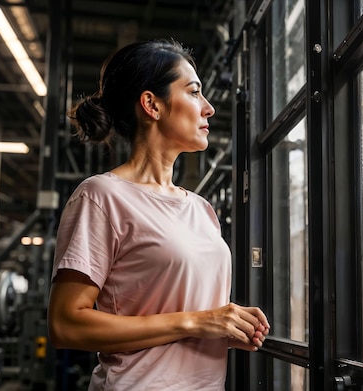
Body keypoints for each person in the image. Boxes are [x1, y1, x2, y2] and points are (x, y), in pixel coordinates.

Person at [47, 38, 270, 390]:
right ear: (151, 104)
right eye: (195, 92)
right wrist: (197, 323)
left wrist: (227, 327)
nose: (208, 108)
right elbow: (65, 325)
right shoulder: (101, 196)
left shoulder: (202, 210)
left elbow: (181, 312)